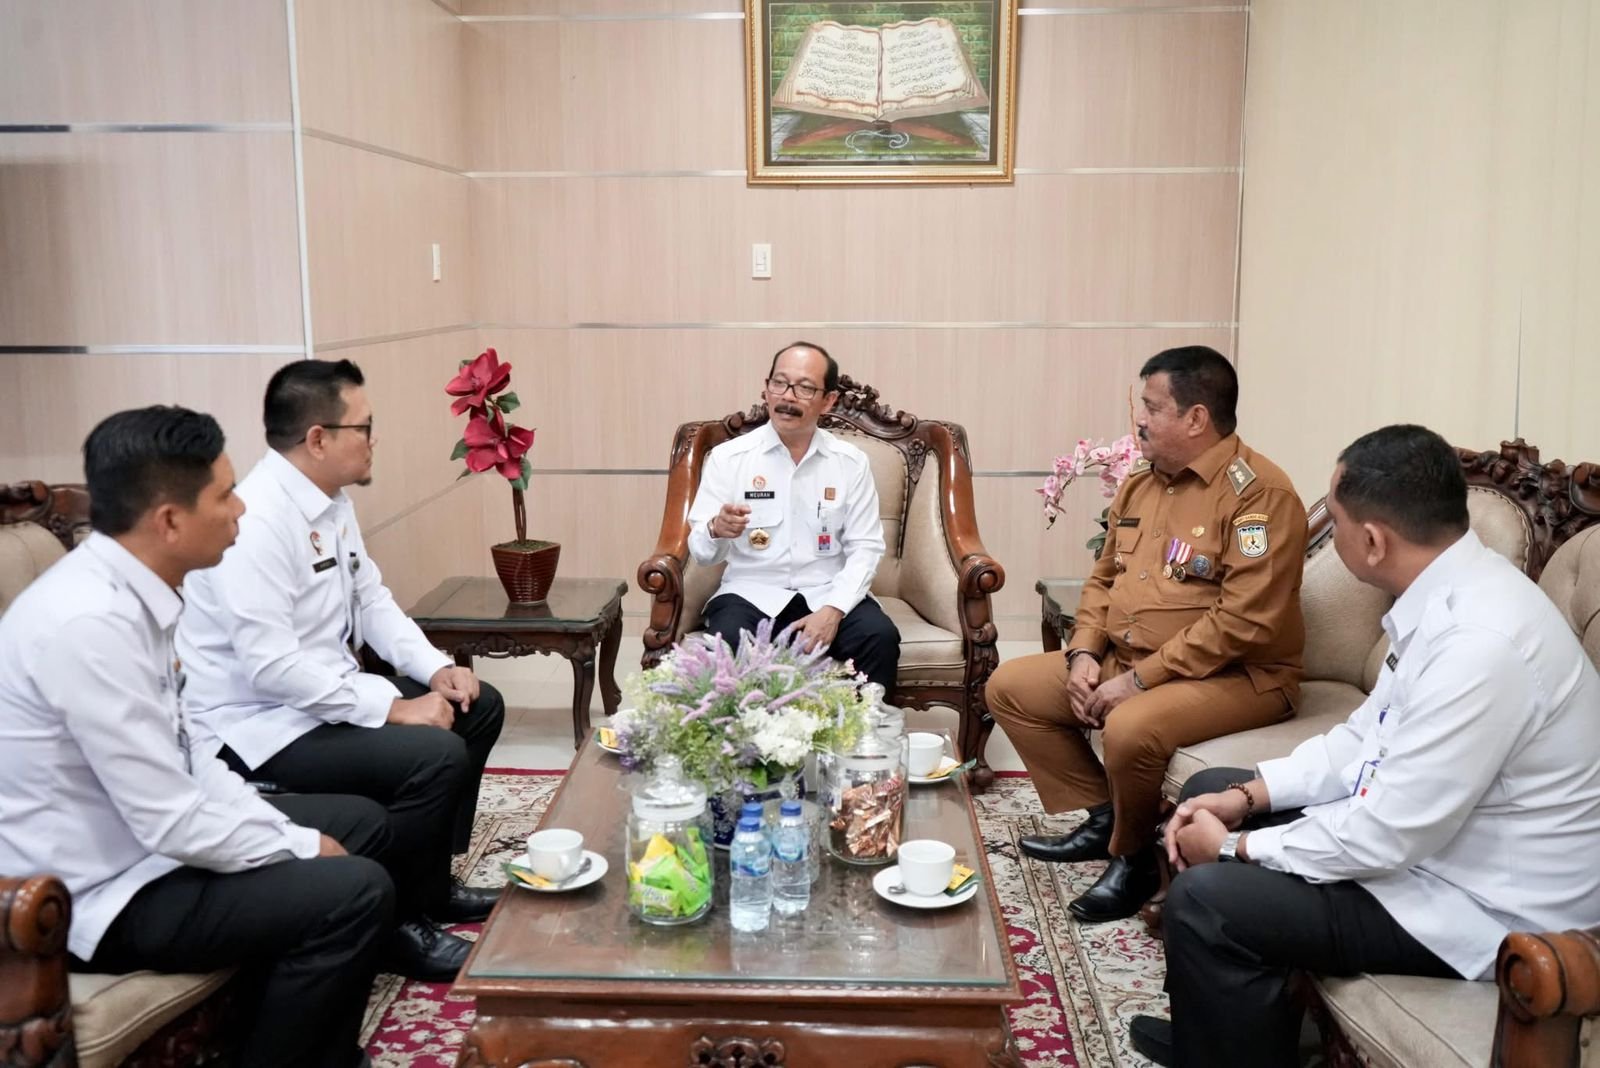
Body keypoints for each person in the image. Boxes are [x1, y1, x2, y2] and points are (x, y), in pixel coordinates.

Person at [1132, 424, 1600, 1068]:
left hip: (1486, 907)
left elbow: (1387, 835)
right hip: (1439, 849)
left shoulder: (1481, 643)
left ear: (1373, 541)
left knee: (1207, 903)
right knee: (1213, 790)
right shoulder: (1454, 591)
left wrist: (1236, 847)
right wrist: (1248, 797)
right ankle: (1218, 1033)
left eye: (1339, 519)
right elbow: (1365, 739)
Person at [0, 407, 394, 1068]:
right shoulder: (89, 625)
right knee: (355, 891)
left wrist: (285, 834)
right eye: (224, 495)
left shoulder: (136, 591)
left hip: (144, 847)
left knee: (359, 825)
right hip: (93, 896)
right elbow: (171, 821)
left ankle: (296, 1037)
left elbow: (190, 757)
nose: (241, 509)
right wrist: (298, 845)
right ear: (169, 521)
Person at [177, 359, 504, 980]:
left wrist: (436, 669)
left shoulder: (331, 501)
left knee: (476, 704)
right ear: (318, 438)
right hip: (258, 726)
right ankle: (397, 923)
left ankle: (431, 887)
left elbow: (371, 599)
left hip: (321, 698)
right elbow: (273, 669)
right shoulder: (258, 521)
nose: (374, 439)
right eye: (365, 427)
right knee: (432, 755)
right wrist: (394, 708)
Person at [986, 345, 1307, 922]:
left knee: (1129, 726)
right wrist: (1085, 652)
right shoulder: (1141, 483)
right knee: (1011, 688)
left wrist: (1137, 681)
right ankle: (1107, 818)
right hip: (1132, 659)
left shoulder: (1259, 495)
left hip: (1240, 677)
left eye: (1153, 408)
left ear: (1196, 418)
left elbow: (1243, 621)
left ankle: (1134, 859)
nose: (1139, 421)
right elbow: (1103, 578)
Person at [686, 341, 900, 691]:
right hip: (751, 592)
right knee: (727, 645)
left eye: (804, 388)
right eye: (780, 383)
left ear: (828, 400)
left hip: (826, 590)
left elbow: (866, 546)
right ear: (766, 388)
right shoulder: (729, 459)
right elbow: (701, 553)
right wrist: (716, 529)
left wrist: (833, 610)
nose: (788, 397)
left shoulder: (849, 463)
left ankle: (867, 726)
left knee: (879, 637)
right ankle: (747, 729)